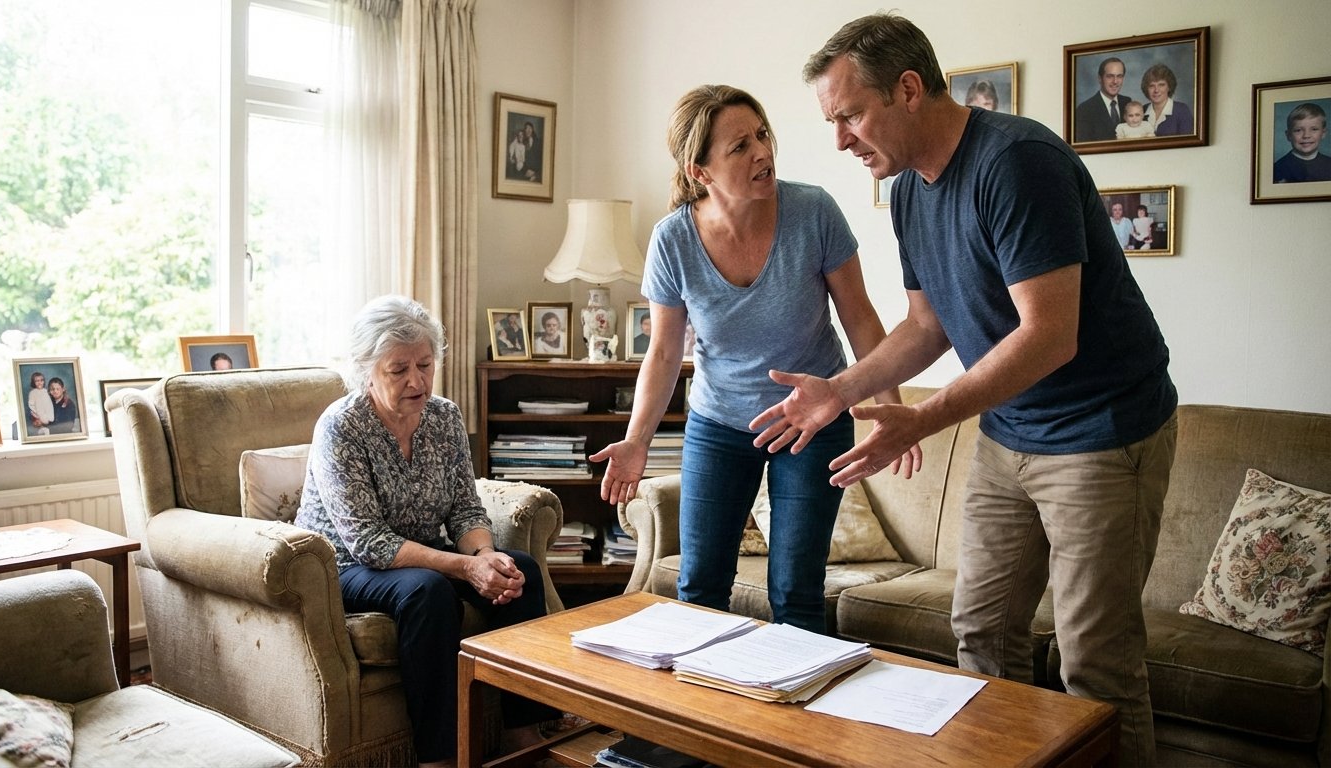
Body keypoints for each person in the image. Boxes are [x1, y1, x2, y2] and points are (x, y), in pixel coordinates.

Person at [758, 14, 1177, 765]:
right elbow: (927, 325)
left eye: (850, 115)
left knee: (1095, 663)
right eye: (834, 121)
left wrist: (922, 419)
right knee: (980, 633)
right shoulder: (911, 190)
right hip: (1010, 432)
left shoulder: (1017, 162)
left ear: (909, 90)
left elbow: (1051, 334)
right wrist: (840, 389)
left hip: (1102, 432)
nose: (842, 140)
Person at [589, 84, 919, 634]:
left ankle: (795, 717)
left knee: (795, 591)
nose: (762, 151)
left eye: (762, 134)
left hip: (811, 422)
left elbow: (860, 318)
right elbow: (666, 351)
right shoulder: (673, 240)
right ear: (701, 173)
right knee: (699, 587)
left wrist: (894, 410)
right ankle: (704, 714)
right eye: (739, 147)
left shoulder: (812, 211)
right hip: (719, 425)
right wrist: (637, 438)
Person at [294, 294, 556, 768]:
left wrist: (486, 556)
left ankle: (523, 732)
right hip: (349, 564)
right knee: (428, 591)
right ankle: (439, 757)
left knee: (524, 572)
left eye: (425, 364)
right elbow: (369, 542)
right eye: (399, 369)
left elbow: (463, 508)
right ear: (366, 369)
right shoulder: (341, 427)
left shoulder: (444, 416)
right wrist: (465, 567)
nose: (416, 380)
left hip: (419, 552)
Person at [1073, 56, 1130, 142]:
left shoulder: (1127, 102)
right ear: (1100, 78)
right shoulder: (1085, 110)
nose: (1115, 81)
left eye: (1119, 76)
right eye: (1110, 76)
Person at [1273, 102, 1331, 183]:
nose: (1306, 136)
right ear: (1288, 135)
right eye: (1298, 130)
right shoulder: (1277, 169)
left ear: (1323, 134)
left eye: (1314, 129)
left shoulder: (1329, 164)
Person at [1140, 63, 1194, 137]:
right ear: (1146, 89)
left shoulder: (1182, 110)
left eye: (1161, 85)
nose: (1156, 90)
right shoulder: (1141, 110)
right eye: (1152, 86)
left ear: (1169, 87)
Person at [26, 371, 54, 436]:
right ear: (33, 382)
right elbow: (31, 405)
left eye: (41, 380)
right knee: (41, 425)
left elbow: (49, 404)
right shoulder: (32, 393)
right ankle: (42, 428)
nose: (39, 382)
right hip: (38, 413)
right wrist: (36, 415)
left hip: (47, 411)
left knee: (49, 421)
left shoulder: (46, 391)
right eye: (37, 381)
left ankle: (47, 423)